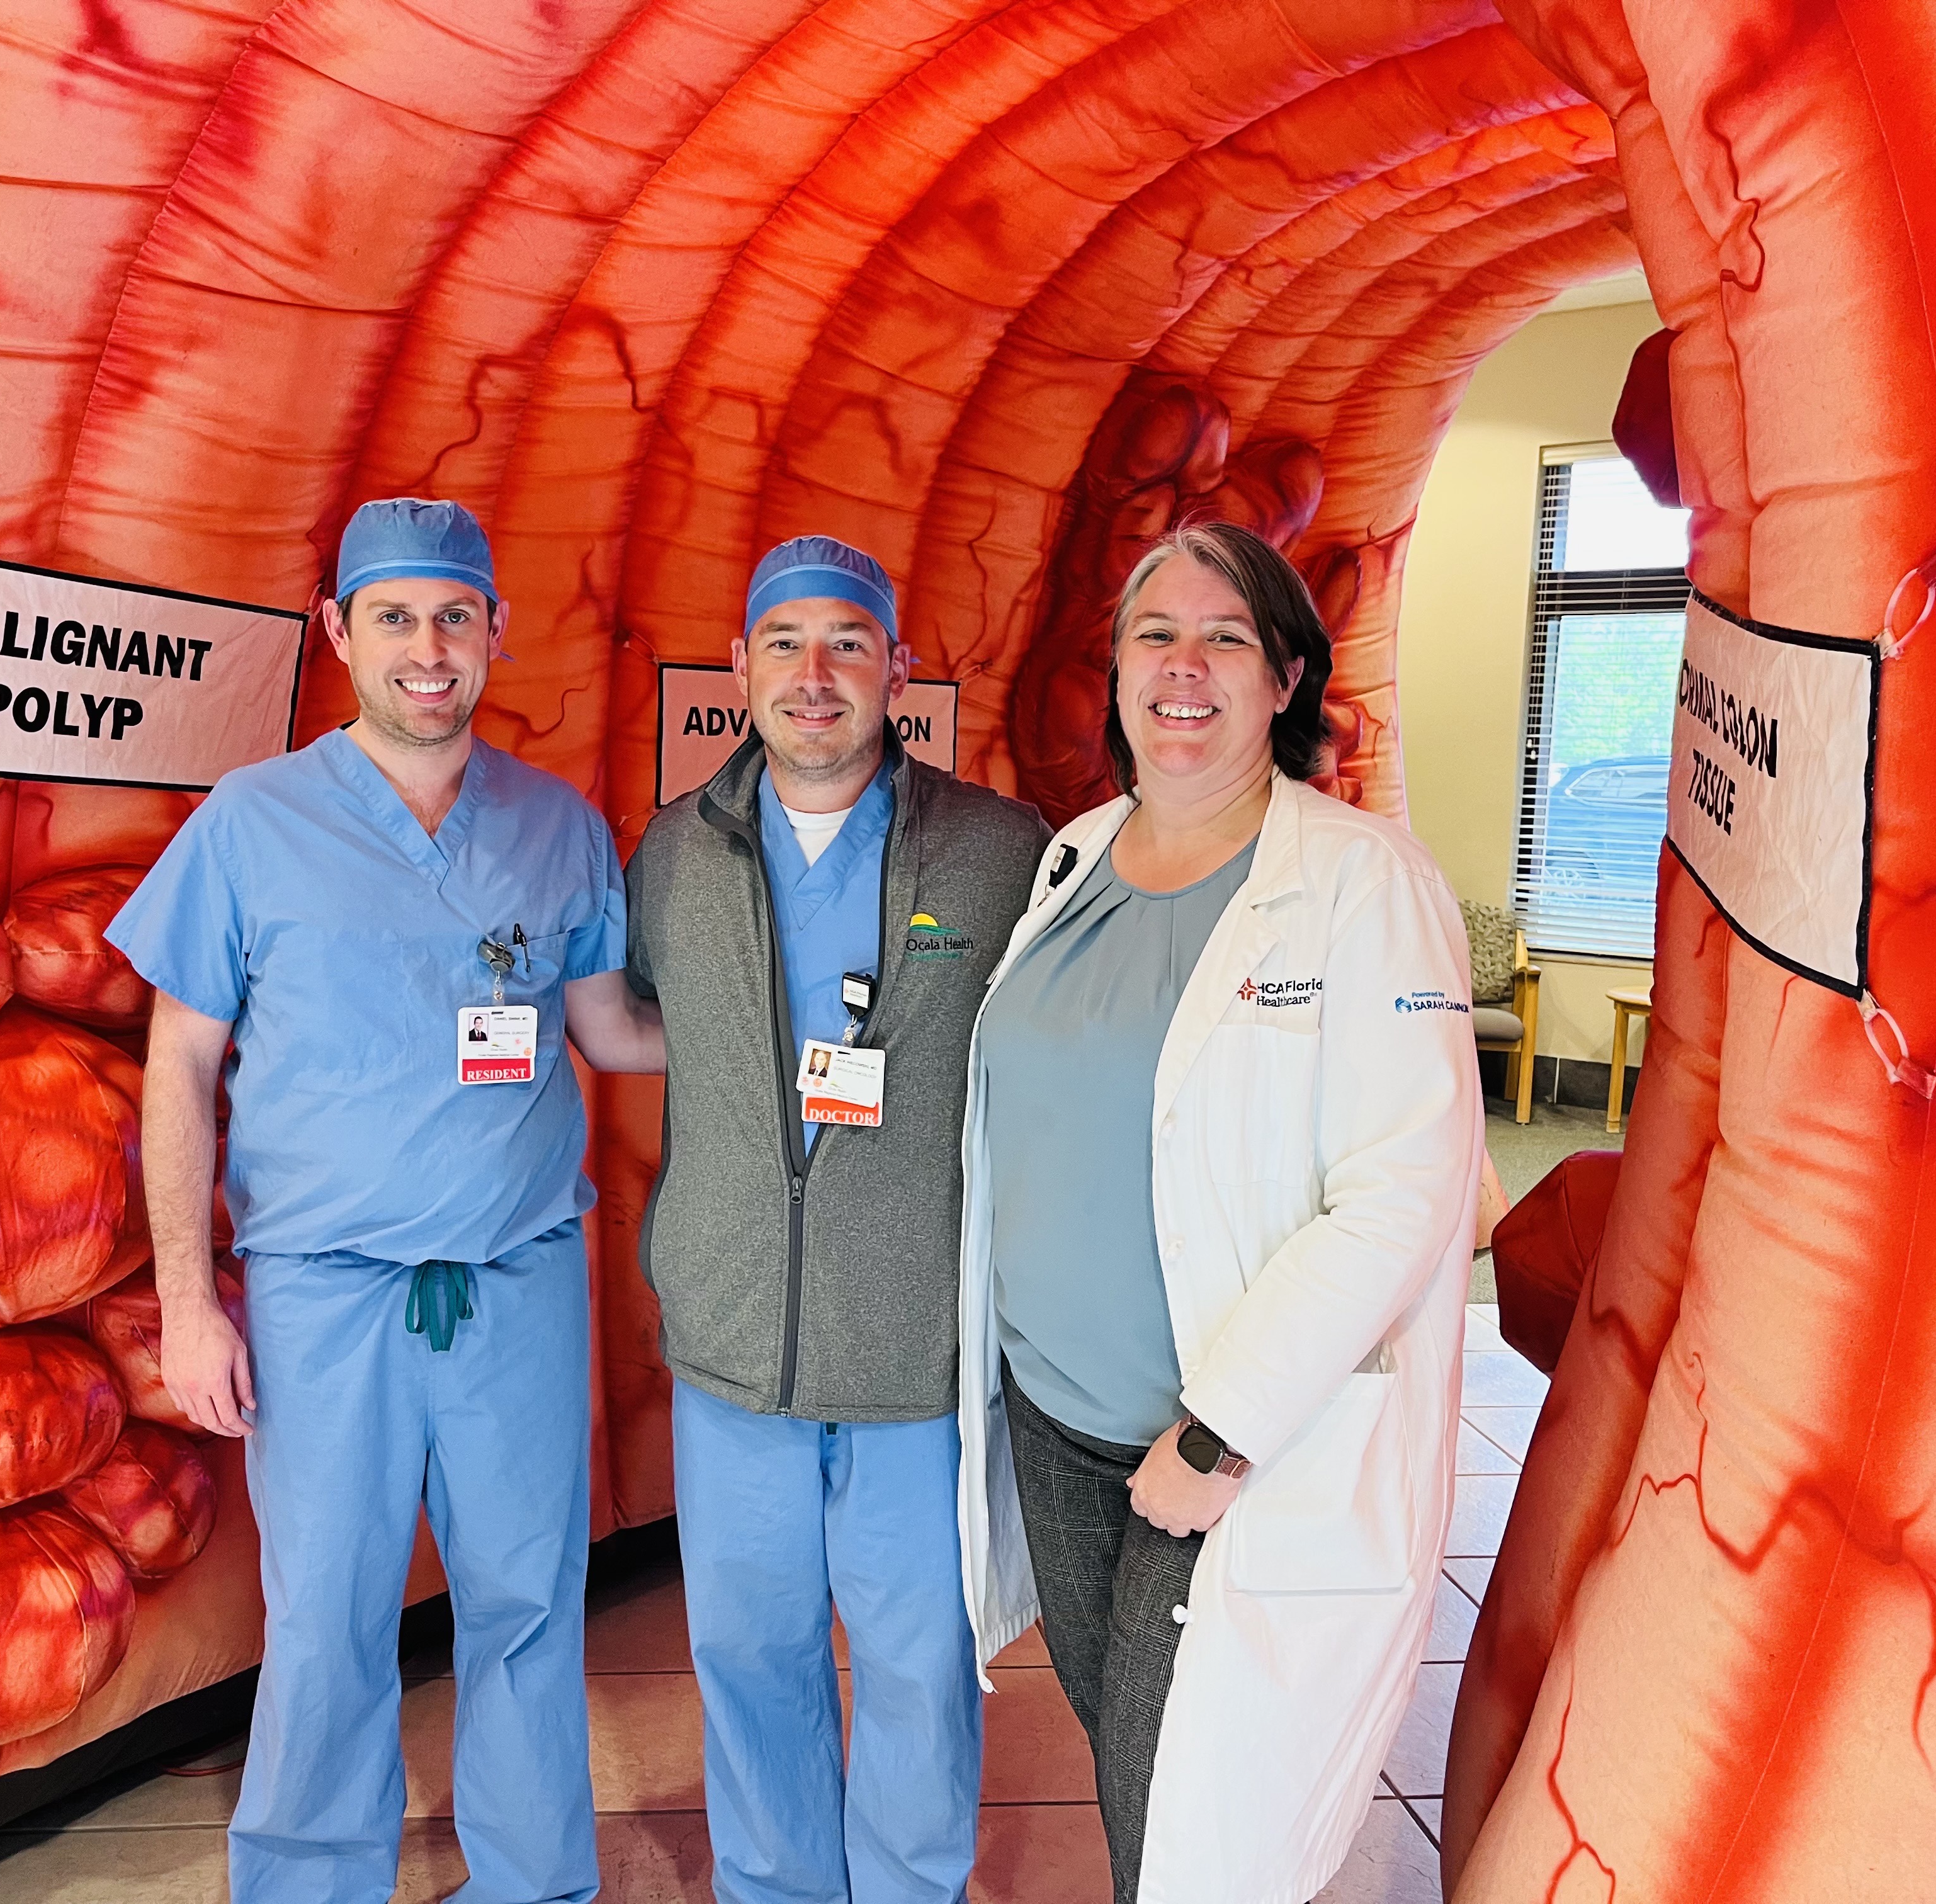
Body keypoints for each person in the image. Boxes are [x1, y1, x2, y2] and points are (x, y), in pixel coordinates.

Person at [109, 497, 665, 1904]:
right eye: (398, 617)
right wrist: (188, 1303)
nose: (431, 649)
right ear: (339, 632)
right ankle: (308, 1884)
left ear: (493, 634)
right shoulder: (253, 824)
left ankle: (535, 1885)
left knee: (529, 1610)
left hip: (519, 1284)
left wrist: (799, 1030)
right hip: (323, 1300)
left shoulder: (556, 826)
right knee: (327, 1625)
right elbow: (178, 1064)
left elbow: (609, 1030)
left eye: (456, 617)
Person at [953, 522, 1481, 1904]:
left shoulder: (1366, 887)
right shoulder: (1075, 860)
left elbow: (1405, 1192)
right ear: (1116, 668)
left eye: (1224, 639)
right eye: (1154, 637)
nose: (1183, 670)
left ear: (1286, 675)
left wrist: (1221, 1427)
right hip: (1059, 1429)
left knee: (1192, 1821)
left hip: (1220, 1458)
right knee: (1145, 1785)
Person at [626, 536, 1049, 1904]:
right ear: (741, 666)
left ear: (898, 669)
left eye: (848, 646)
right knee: (751, 1657)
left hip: (914, 1353)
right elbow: (636, 1021)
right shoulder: (675, 854)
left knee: (924, 1665)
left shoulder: (995, 855)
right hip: (736, 1346)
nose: (816, 679)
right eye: (786, 646)